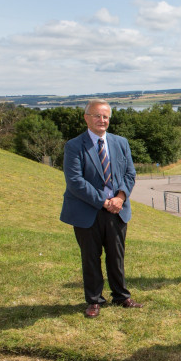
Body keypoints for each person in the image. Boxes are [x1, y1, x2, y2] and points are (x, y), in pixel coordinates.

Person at [60, 99, 142, 318]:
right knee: (91, 257)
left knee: (116, 255)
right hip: (88, 211)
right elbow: (75, 181)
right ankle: (94, 300)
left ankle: (121, 296)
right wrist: (105, 201)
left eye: (105, 116)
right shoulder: (74, 146)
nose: (102, 120)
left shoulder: (120, 143)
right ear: (86, 118)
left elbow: (129, 174)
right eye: (97, 116)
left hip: (117, 210)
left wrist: (121, 197)